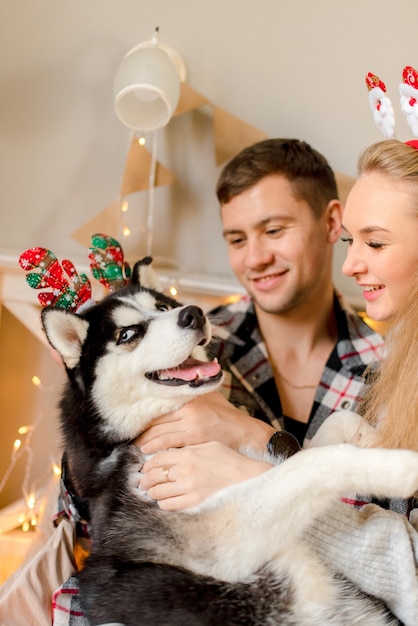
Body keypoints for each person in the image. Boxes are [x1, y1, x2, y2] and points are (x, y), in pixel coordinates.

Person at [138, 138, 385, 510]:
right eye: (237, 239)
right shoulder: (192, 351)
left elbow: (387, 533)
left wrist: (253, 437)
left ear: (333, 222)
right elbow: (104, 503)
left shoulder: (390, 372)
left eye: (274, 231)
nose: (255, 259)